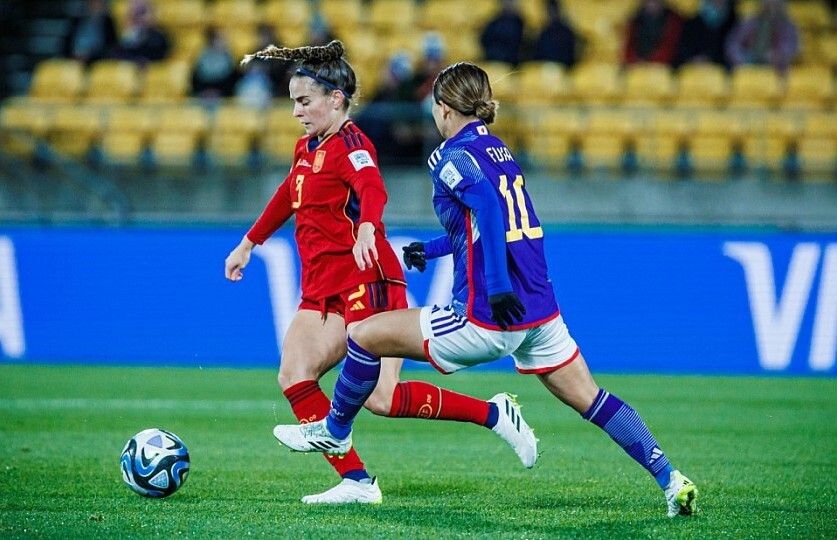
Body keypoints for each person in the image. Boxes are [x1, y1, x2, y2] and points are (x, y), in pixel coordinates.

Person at [272, 61, 699, 518]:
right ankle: (671, 479)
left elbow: (492, 214)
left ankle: (335, 431)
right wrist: (433, 249)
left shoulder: (448, 157)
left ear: (442, 109)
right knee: (593, 400)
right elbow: (489, 222)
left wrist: (495, 287)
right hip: (540, 310)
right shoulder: (498, 151)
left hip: (488, 312)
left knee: (365, 334)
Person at [225, 42, 537, 505]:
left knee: (382, 398)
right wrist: (250, 242)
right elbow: (288, 195)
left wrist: (369, 225)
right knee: (294, 373)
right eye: (293, 101)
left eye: (304, 101)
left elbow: (371, 187)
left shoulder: (353, 144)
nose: (296, 111)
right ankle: (357, 480)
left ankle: (492, 413)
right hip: (321, 288)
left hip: (365, 280)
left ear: (335, 99)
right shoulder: (307, 149)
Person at [725, 0, 798, 73]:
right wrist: (744, 59)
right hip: (748, 69)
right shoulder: (749, 23)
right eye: (768, 3)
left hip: (775, 71)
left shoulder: (788, 27)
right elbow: (733, 45)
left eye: (775, 3)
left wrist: (776, 56)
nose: (772, 4)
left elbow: (791, 48)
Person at [675, 0, 738, 69]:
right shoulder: (691, 15)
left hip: (720, 70)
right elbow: (681, 46)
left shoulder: (734, 17)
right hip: (690, 67)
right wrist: (693, 59)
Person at [623, 0, 684, 65]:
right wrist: (635, 60)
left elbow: (670, 47)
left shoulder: (674, 19)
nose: (652, 4)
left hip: (663, 67)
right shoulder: (636, 19)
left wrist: (650, 61)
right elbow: (629, 46)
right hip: (636, 65)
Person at [63, 0, 117, 65]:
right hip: (73, 60)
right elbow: (66, 44)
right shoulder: (77, 20)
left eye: (97, 3)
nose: (94, 6)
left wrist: (89, 56)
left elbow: (110, 47)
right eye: (91, 3)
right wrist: (72, 55)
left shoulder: (108, 23)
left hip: (96, 63)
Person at [479, 0, 525, 66]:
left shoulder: (521, 23)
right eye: (505, 2)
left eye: (511, 2)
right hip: (493, 58)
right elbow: (484, 39)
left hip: (512, 61)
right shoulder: (494, 22)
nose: (508, 5)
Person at [532, 0, 577, 67]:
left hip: (563, 70)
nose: (552, 14)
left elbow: (570, 57)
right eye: (549, 12)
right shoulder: (543, 33)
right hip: (545, 69)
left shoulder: (567, 32)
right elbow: (538, 57)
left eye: (554, 11)